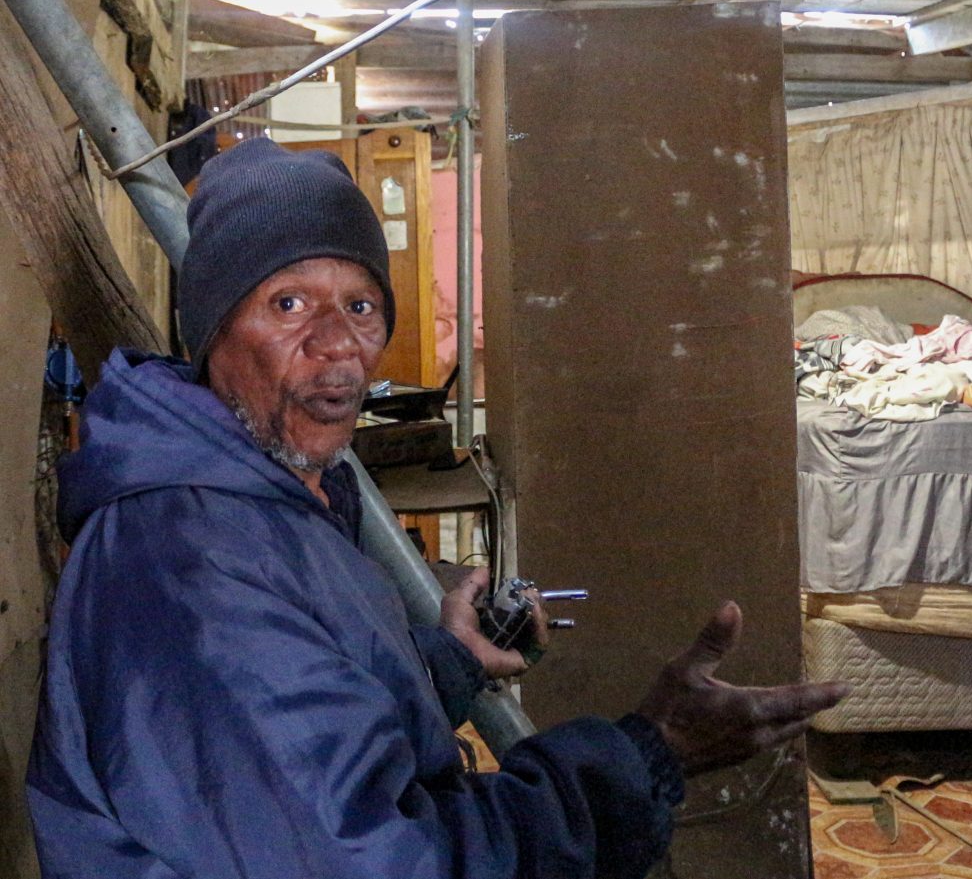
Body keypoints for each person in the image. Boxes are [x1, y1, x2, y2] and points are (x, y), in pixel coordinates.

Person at [27, 138, 849, 879]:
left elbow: (316, 709)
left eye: (359, 305)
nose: (338, 343)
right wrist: (647, 753)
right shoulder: (191, 563)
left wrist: (446, 660)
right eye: (287, 304)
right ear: (209, 330)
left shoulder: (280, 489)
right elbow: (381, 859)